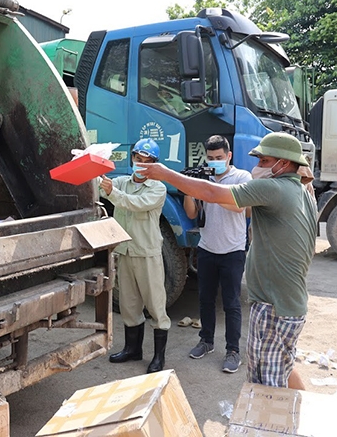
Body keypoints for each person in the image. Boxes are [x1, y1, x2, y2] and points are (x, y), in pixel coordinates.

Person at [135, 132, 316, 388]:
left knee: (268, 382)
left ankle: (277, 426)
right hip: (288, 302)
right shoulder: (303, 190)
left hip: (274, 306)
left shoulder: (274, 188)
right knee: (283, 365)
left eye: (264, 160)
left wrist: (166, 174)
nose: (257, 166)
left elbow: (210, 192)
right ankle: (304, 412)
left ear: (283, 164)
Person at [99, 138, 171, 373]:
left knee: (155, 305)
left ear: (154, 164)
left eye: (146, 161)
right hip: (125, 250)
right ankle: (133, 349)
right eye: (137, 159)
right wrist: (97, 169)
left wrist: (112, 193)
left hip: (147, 252)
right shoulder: (121, 182)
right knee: (129, 304)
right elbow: (102, 187)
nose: (140, 165)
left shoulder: (158, 188)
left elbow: (133, 203)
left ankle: (159, 357)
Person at [183, 136, 251, 374]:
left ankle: (233, 351)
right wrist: (190, 187)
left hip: (232, 250)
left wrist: (210, 190)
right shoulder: (204, 178)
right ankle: (206, 341)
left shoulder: (242, 178)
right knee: (205, 299)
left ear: (229, 156)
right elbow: (192, 213)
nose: (214, 162)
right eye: (210, 159)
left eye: (219, 158)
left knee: (232, 304)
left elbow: (240, 207)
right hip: (207, 248)